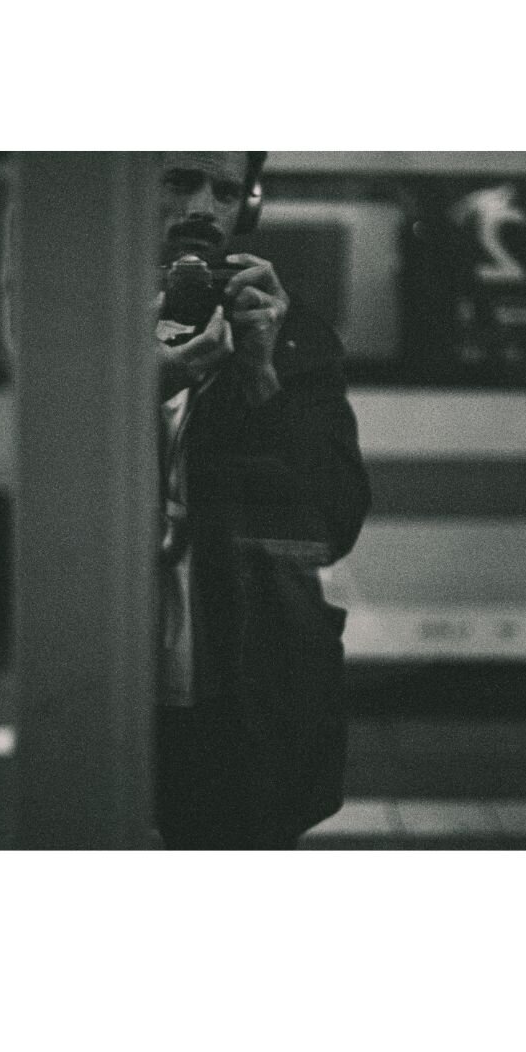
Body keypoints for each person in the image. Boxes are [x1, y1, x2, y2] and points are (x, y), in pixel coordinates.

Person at [154, 152, 370, 849]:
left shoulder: (287, 332)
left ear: (246, 208)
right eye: (179, 181)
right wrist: (142, 388)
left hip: (241, 709)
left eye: (225, 191)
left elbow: (333, 522)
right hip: (114, 696)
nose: (203, 209)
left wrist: (262, 377)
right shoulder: (85, 334)